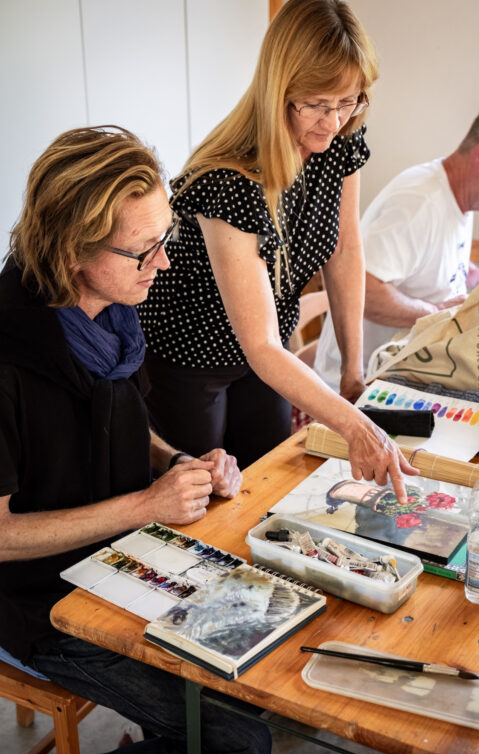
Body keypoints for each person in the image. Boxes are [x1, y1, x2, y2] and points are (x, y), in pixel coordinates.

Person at [0, 125, 271, 754]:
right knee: (236, 745)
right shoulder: (9, 356)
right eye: (144, 250)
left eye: (165, 239)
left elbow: (126, 423)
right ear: (73, 250)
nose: (166, 263)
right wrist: (147, 506)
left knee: (259, 673)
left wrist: (177, 463)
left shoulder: (114, 311)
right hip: (40, 600)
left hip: (120, 559)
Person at [138, 0, 417, 501]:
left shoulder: (341, 139)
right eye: (316, 103)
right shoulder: (230, 178)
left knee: (269, 478)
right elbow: (260, 342)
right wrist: (356, 426)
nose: (332, 122)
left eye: (348, 101)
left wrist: (351, 369)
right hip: (187, 352)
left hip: (265, 350)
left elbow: (345, 251)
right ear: (278, 91)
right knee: (205, 495)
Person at [315, 94, 479, 390]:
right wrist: (434, 315)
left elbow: (424, 260)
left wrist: (472, 275)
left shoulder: (459, 198)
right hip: (359, 390)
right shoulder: (419, 203)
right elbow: (361, 289)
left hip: (405, 377)